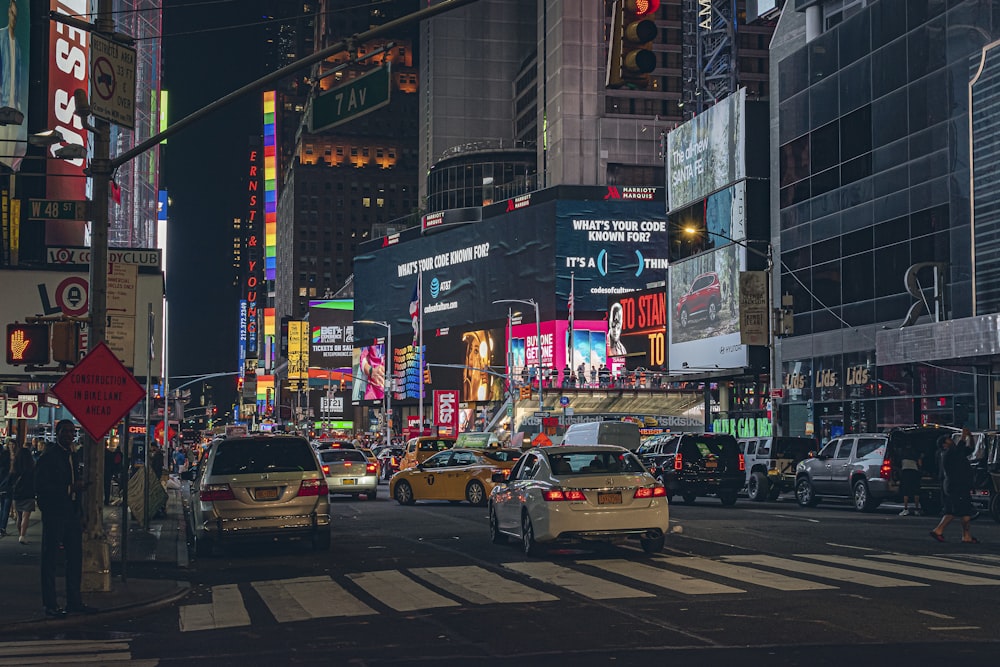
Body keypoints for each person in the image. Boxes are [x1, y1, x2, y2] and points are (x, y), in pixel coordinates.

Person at [36, 419, 94, 617]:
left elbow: (74, 485)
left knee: (75, 558)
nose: (69, 435)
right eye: (65, 432)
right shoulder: (49, 457)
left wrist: (81, 513)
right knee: (50, 559)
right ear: (57, 433)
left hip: (71, 513)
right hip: (54, 514)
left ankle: (74, 601)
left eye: (72, 432)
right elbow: (43, 488)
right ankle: (50, 605)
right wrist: (70, 488)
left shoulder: (73, 455)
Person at [930, 434, 977, 543]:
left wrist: (969, 437)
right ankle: (939, 530)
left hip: (958, 485)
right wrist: (964, 436)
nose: (952, 440)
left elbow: (970, 449)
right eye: (949, 440)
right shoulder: (948, 453)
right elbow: (960, 448)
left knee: (958, 511)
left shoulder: (955, 453)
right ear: (944, 445)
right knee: (958, 511)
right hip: (957, 486)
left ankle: (966, 536)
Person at [11, 440, 34, 544]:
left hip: (17, 494)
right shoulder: (31, 469)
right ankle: (22, 535)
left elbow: (11, 481)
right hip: (28, 493)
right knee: (25, 516)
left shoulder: (15, 468)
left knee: (19, 516)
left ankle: (20, 533)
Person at [898, 440, 922, 516]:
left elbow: (899, 463)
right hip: (914, 472)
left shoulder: (902, 453)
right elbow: (920, 463)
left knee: (906, 491)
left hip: (905, 472)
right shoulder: (916, 452)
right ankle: (917, 509)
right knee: (916, 491)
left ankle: (905, 509)